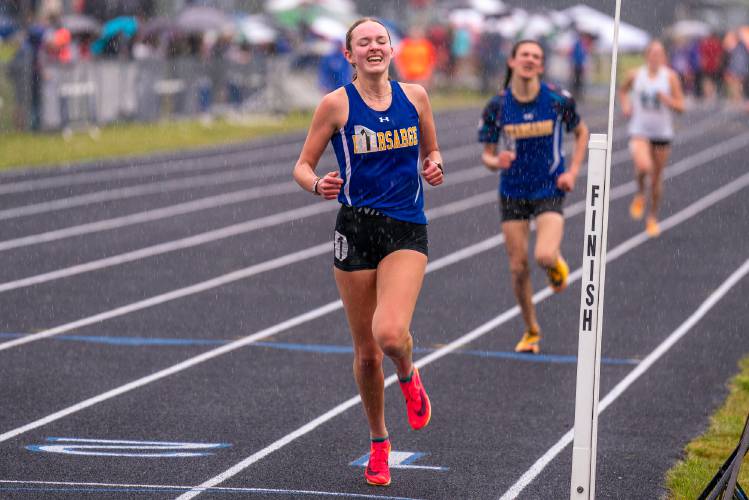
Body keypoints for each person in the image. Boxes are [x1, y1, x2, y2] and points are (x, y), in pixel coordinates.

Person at [292, 18, 444, 487]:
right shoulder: (336, 105)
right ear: (349, 54)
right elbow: (301, 165)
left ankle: (409, 373)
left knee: (391, 335)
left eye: (381, 41)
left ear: (392, 49)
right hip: (355, 231)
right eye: (364, 43)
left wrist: (434, 166)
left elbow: (432, 154)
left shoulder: (415, 97)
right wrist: (318, 184)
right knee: (365, 355)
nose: (374, 48)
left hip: (405, 229)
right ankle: (379, 442)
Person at [478, 40, 589, 355]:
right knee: (518, 267)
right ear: (512, 62)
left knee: (543, 255)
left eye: (536, 57)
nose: (530, 60)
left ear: (541, 66)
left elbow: (581, 132)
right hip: (512, 190)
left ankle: (555, 266)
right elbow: (486, 155)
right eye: (524, 54)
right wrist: (495, 161)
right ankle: (531, 330)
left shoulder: (556, 99)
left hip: (549, 187)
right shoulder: (497, 106)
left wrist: (573, 172)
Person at [619, 40, 685, 237]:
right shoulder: (635, 75)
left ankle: (652, 217)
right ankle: (640, 193)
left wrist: (668, 100)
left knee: (656, 179)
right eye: (652, 53)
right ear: (647, 56)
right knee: (643, 166)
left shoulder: (670, 77)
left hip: (662, 134)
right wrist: (626, 105)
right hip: (639, 130)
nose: (655, 57)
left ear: (664, 57)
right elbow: (623, 91)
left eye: (659, 54)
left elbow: (681, 107)